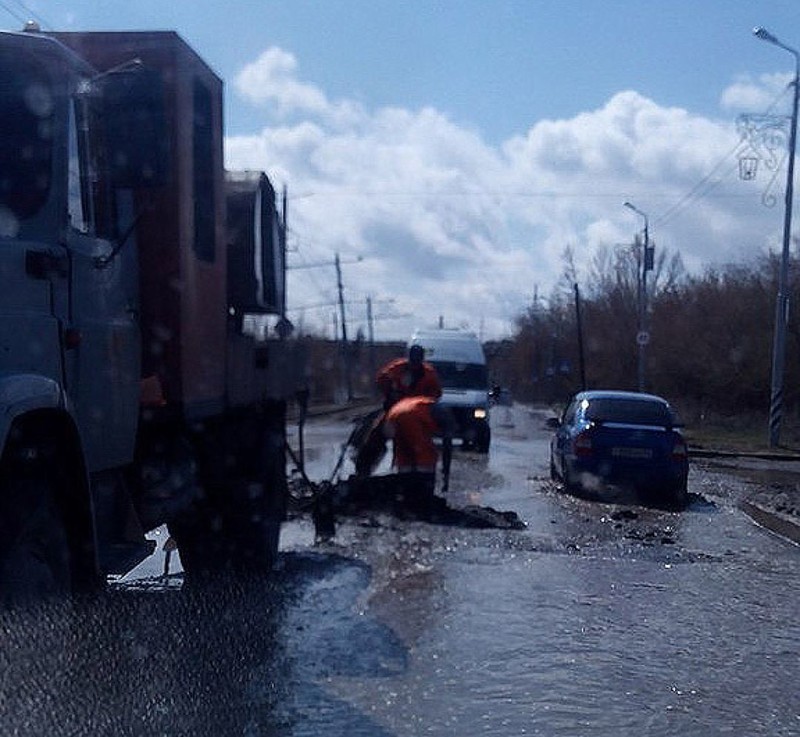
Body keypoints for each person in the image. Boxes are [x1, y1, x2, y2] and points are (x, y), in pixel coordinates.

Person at [382, 395, 455, 516]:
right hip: (410, 416)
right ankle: (422, 498)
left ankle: (407, 495)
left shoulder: (429, 406)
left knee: (405, 457)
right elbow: (447, 448)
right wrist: (445, 476)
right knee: (425, 457)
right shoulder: (443, 417)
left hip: (393, 414)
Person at [376, 344, 442, 410]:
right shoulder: (398, 367)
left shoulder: (429, 373)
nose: (415, 364)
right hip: (399, 403)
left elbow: (436, 393)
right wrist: (390, 393)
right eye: (413, 360)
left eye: (417, 360)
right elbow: (383, 378)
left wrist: (425, 400)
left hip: (418, 406)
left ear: (421, 360)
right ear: (409, 358)